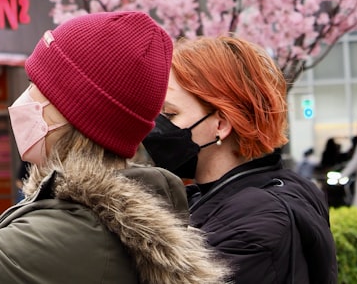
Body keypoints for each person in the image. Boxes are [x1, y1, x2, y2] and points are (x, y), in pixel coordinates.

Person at [0, 11, 229, 284]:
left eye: (36, 90)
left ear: (70, 113)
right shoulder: (75, 217)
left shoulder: (73, 233)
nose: (20, 101)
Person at [142, 36, 337, 284]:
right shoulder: (224, 196)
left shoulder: (256, 224)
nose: (156, 126)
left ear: (221, 124)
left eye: (170, 114)